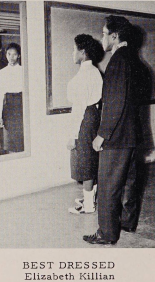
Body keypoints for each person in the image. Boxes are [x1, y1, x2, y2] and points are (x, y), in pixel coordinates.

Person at [83, 16, 144, 245]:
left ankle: (106, 233)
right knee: (128, 182)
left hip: (116, 136)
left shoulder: (118, 60)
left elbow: (116, 102)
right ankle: (128, 223)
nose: (102, 38)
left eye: (104, 33)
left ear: (114, 36)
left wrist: (102, 134)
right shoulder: (134, 60)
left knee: (108, 184)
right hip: (131, 135)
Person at [67, 34, 104, 214]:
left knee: (86, 160)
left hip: (85, 119)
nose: (72, 53)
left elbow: (79, 108)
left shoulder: (85, 74)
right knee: (90, 158)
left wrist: (73, 136)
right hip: (93, 115)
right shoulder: (94, 71)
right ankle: (89, 198)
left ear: (82, 52)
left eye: (74, 49)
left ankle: (88, 205)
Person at [0, 43, 24, 153]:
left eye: (14, 54)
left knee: (21, 141)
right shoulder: (2, 73)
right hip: (8, 107)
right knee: (9, 143)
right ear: (5, 55)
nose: (11, 57)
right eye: (9, 54)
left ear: (19, 56)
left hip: (21, 106)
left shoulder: (24, 71)